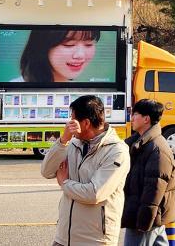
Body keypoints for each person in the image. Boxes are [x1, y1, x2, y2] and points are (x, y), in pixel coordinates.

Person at [41, 95, 130, 246]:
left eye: (73, 119)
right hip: (64, 236)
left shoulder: (117, 151)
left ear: (86, 123)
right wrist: (63, 141)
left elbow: (94, 193)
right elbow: (47, 171)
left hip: (94, 239)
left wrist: (64, 183)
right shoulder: (73, 143)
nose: (69, 123)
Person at [122, 99, 175, 246]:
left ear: (146, 119)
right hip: (147, 216)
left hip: (144, 218)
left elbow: (154, 190)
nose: (131, 118)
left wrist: (143, 222)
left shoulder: (157, 149)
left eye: (135, 114)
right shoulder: (139, 143)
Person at [19, 29, 100, 82]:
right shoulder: (18, 86)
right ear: (43, 46)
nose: (80, 55)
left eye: (89, 44)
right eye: (69, 45)